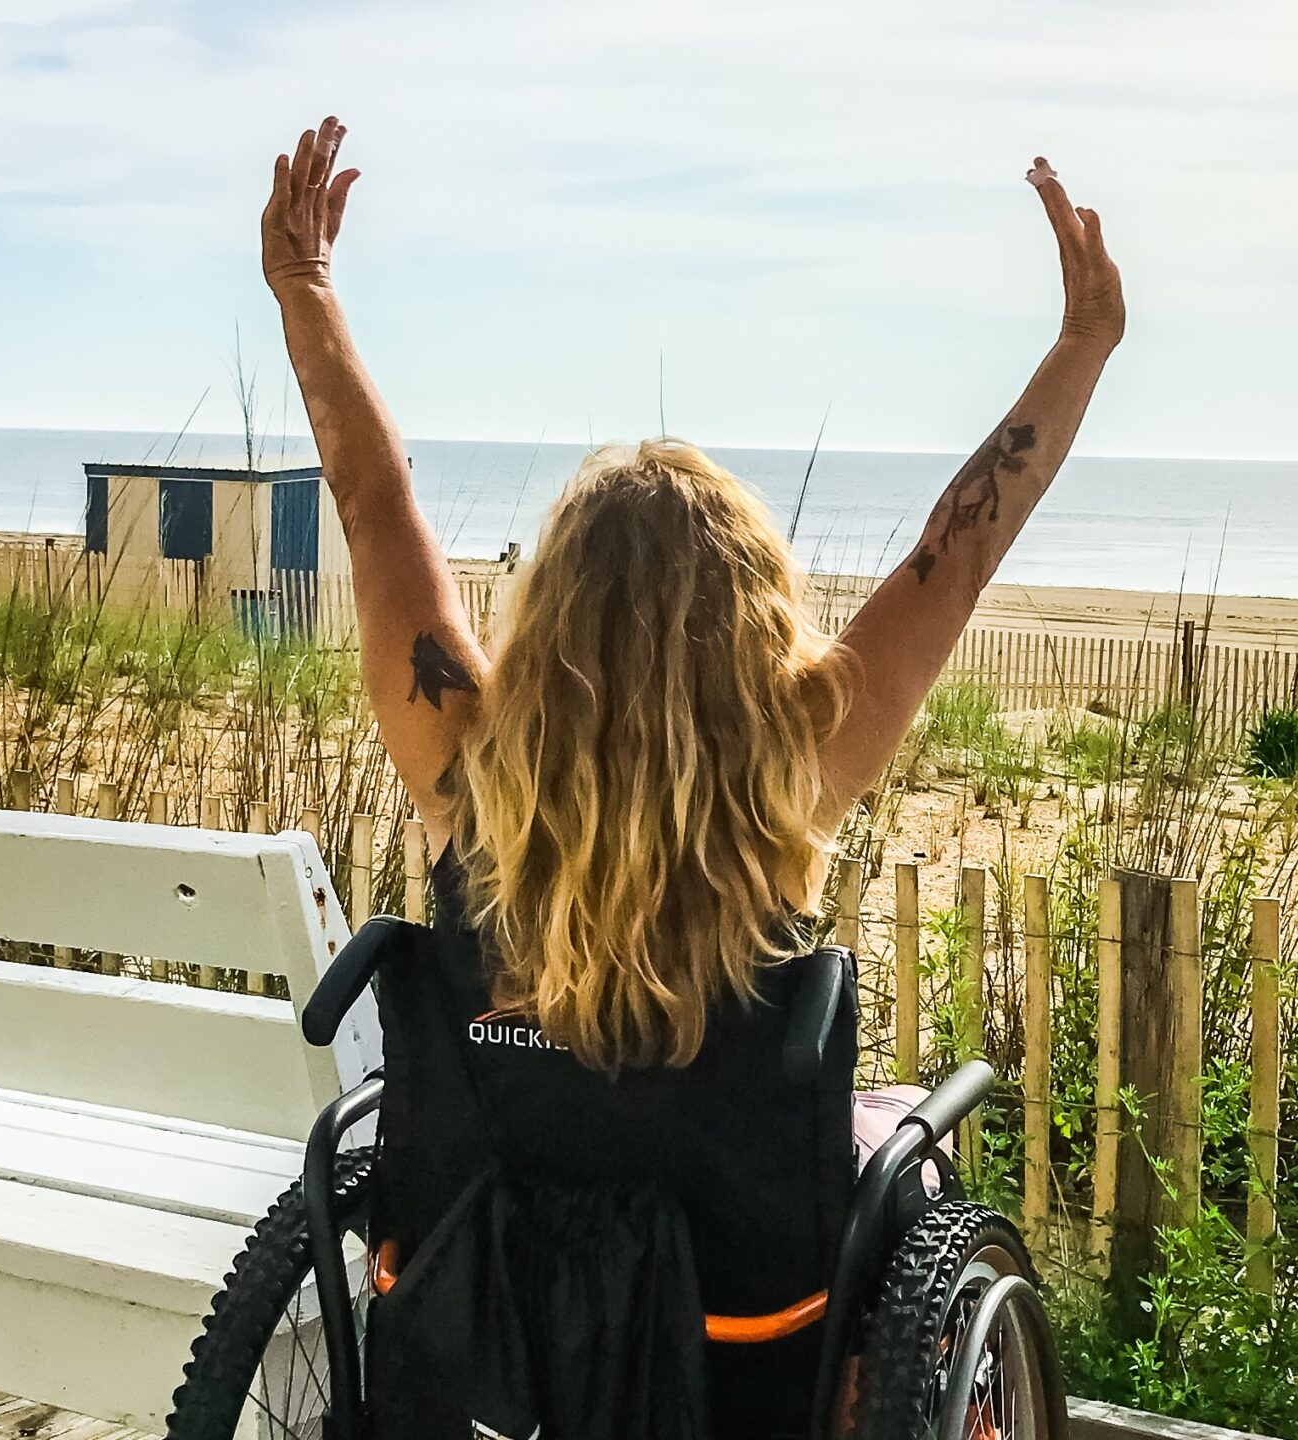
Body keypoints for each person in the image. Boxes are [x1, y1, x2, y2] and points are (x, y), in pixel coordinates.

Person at [262, 116, 1121, 1437]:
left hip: (487, 1320)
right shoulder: (796, 771)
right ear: (757, 624)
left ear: (547, 617)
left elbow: (377, 510)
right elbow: (961, 555)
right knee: (912, 1144)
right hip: (745, 1342)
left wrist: (307, 297)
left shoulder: (468, 766)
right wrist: (1079, 352)